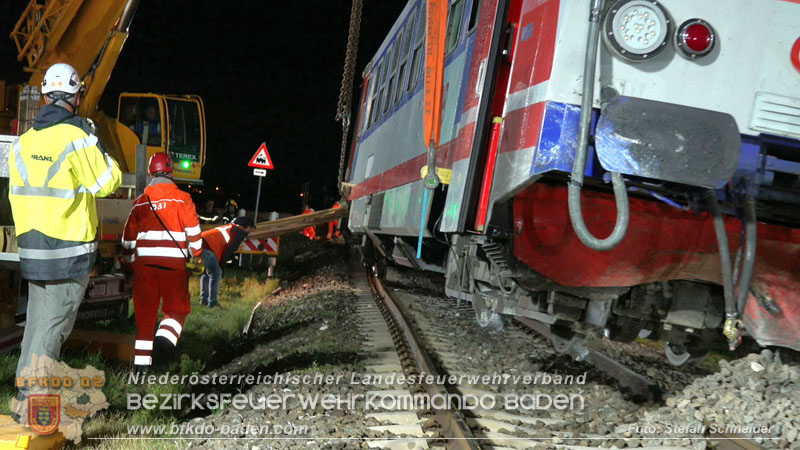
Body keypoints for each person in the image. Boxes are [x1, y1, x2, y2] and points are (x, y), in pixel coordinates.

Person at [8, 63, 122, 404]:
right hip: (67, 251)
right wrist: (96, 143)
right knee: (54, 327)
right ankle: (35, 399)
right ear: (77, 96)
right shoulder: (78, 137)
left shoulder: (24, 142)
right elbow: (107, 182)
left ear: (44, 96)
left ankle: (24, 391)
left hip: (32, 250)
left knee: (37, 324)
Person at [121, 152, 203, 371]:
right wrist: (196, 254)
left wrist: (130, 265)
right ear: (171, 172)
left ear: (151, 173)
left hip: (144, 267)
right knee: (177, 309)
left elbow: (127, 240)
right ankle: (163, 346)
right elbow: (194, 233)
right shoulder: (182, 199)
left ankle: (140, 369)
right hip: (174, 267)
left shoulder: (140, 202)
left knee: (145, 318)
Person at [199, 216, 256, 308]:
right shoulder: (239, 232)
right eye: (250, 229)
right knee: (216, 273)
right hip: (207, 247)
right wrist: (222, 265)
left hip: (199, 243)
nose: (249, 232)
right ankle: (212, 303)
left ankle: (204, 300)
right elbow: (229, 249)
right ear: (247, 226)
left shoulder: (230, 227)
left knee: (207, 273)